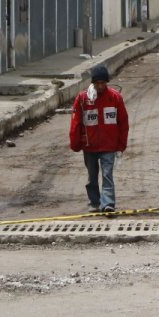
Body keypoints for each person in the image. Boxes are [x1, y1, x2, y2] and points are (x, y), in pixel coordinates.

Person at [68, 64, 129, 213]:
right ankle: (94, 202)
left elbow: (123, 123)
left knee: (107, 175)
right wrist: (76, 143)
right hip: (90, 146)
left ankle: (108, 203)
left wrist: (121, 146)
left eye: (103, 83)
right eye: (97, 83)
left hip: (109, 146)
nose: (100, 86)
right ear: (93, 83)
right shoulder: (83, 99)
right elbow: (76, 123)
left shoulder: (115, 98)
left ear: (106, 82)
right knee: (92, 176)